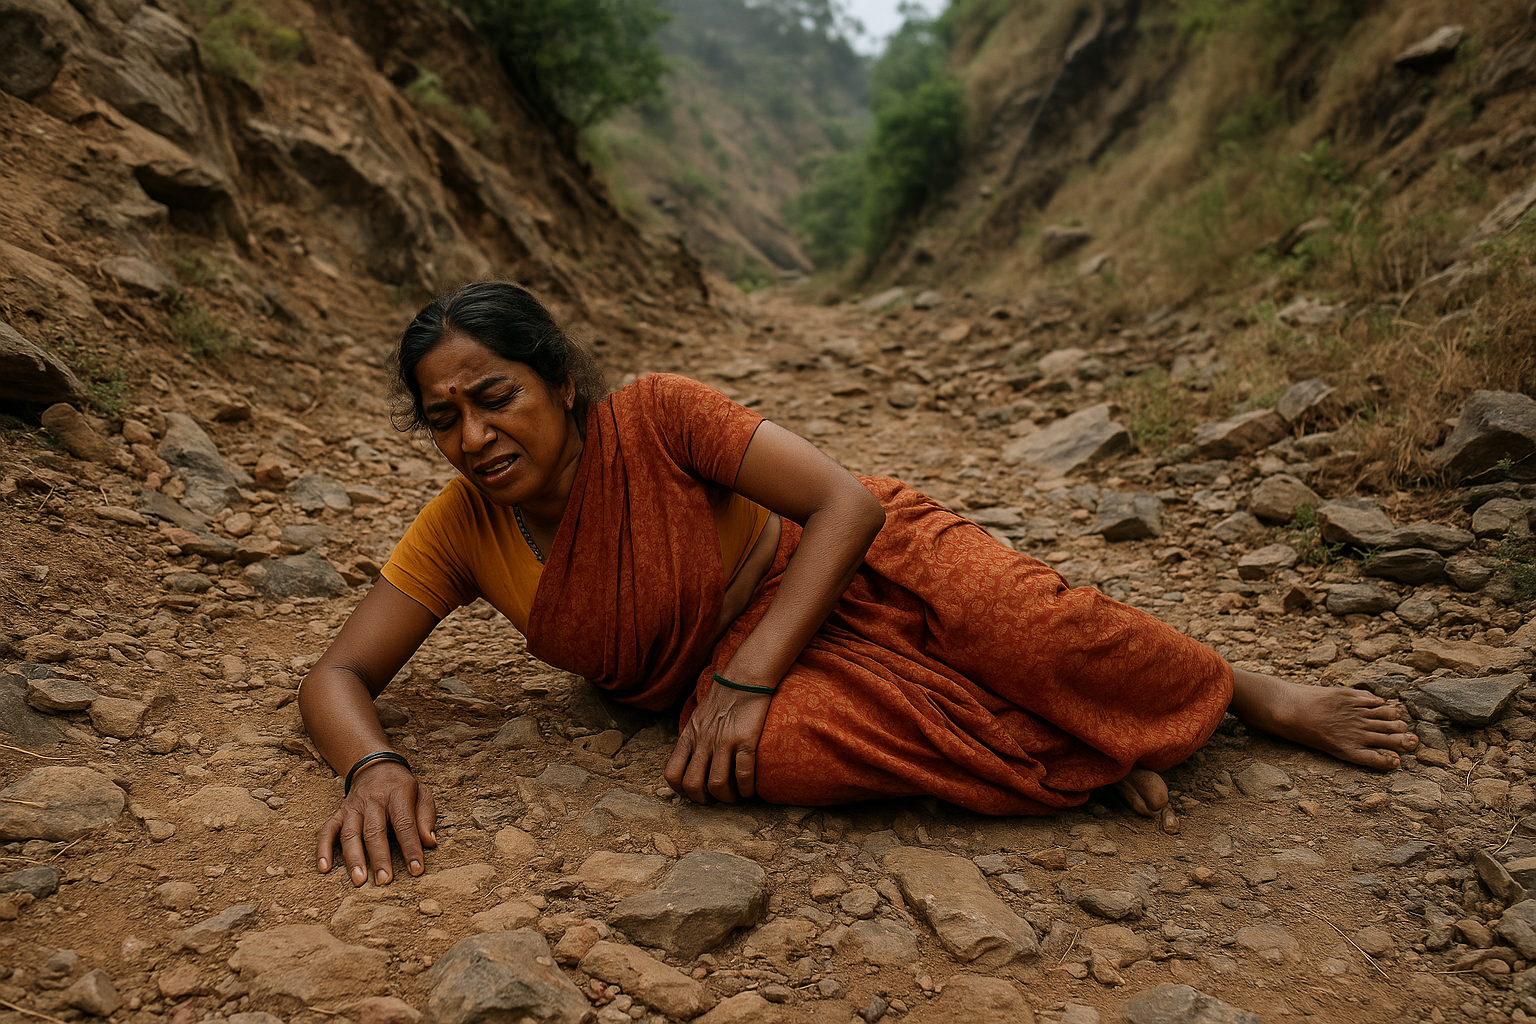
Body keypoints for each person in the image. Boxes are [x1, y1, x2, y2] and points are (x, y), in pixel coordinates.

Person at [298, 281, 1419, 888]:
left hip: (843, 569)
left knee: (1030, 627)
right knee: (778, 761)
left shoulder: (657, 414)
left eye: (495, 395)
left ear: (562, 379)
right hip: (736, 681)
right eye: (444, 417)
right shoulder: (461, 526)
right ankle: (1090, 751)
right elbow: (341, 671)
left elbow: (846, 506)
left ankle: (1238, 688)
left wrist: (742, 674)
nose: (475, 434)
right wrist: (373, 764)